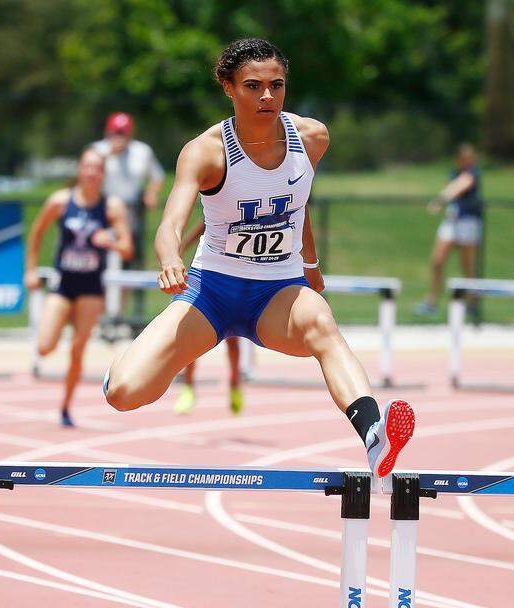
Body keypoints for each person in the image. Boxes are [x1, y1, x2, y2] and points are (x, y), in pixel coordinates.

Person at [102, 37, 415, 478]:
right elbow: (170, 222)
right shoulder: (206, 151)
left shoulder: (311, 138)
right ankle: (119, 369)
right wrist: (170, 259)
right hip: (212, 291)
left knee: (323, 325)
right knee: (125, 394)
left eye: (276, 85)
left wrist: (310, 266)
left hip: (277, 291)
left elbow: (298, 203)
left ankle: (373, 437)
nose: (267, 96)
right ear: (228, 88)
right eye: (253, 86)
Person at [25, 149, 133, 426]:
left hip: (91, 288)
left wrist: (110, 241)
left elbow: (127, 248)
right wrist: (31, 270)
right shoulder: (61, 201)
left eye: (97, 168)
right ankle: (60, 323)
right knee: (45, 346)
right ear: (80, 170)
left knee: (77, 350)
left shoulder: (111, 207)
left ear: (103, 174)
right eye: (87, 167)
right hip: (64, 283)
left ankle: (65, 406)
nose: (91, 173)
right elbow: (36, 231)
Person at [172, 219, 244, 415]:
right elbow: (203, 224)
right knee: (193, 336)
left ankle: (235, 383)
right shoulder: (220, 209)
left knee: (233, 339)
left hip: (238, 275)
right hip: (211, 275)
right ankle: (188, 388)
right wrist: (182, 247)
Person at [415, 143, 483, 316]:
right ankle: (432, 301)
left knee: (467, 265)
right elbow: (453, 186)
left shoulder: (473, 173)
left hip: (468, 222)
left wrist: (440, 199)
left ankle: (472, 302)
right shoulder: (454, 172)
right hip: (452, 221)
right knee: (437, 261)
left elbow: (460, 186)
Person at [90, 112, 165, 263]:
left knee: (132, 252)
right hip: (103, 208)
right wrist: (108, 155)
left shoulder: (142, 151)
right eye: (116, 132)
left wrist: (151, 193)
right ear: (108, 132)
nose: (119, 137)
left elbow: (157, 176)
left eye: (123, 133)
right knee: (101, 250)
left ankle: (133, 274)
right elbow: (87, 176)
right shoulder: (97, 150)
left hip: (132, 208)